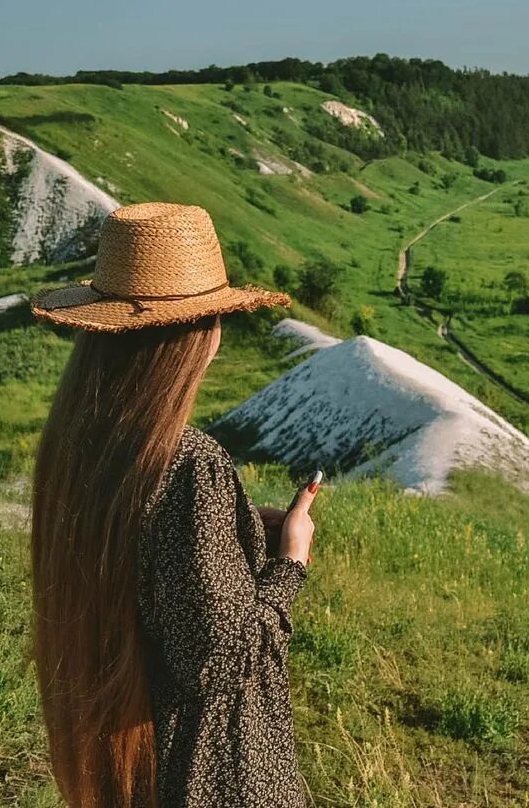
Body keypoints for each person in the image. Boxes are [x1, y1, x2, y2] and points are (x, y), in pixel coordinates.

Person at [29, 201, 315, 808]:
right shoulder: (187, 462)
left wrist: (239, 531)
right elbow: (223, 662)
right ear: (195, 334)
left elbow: (153, 578)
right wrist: (290, 562)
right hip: (216, 774)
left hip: (135, 760)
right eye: (215, 317)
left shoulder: (80, 443)